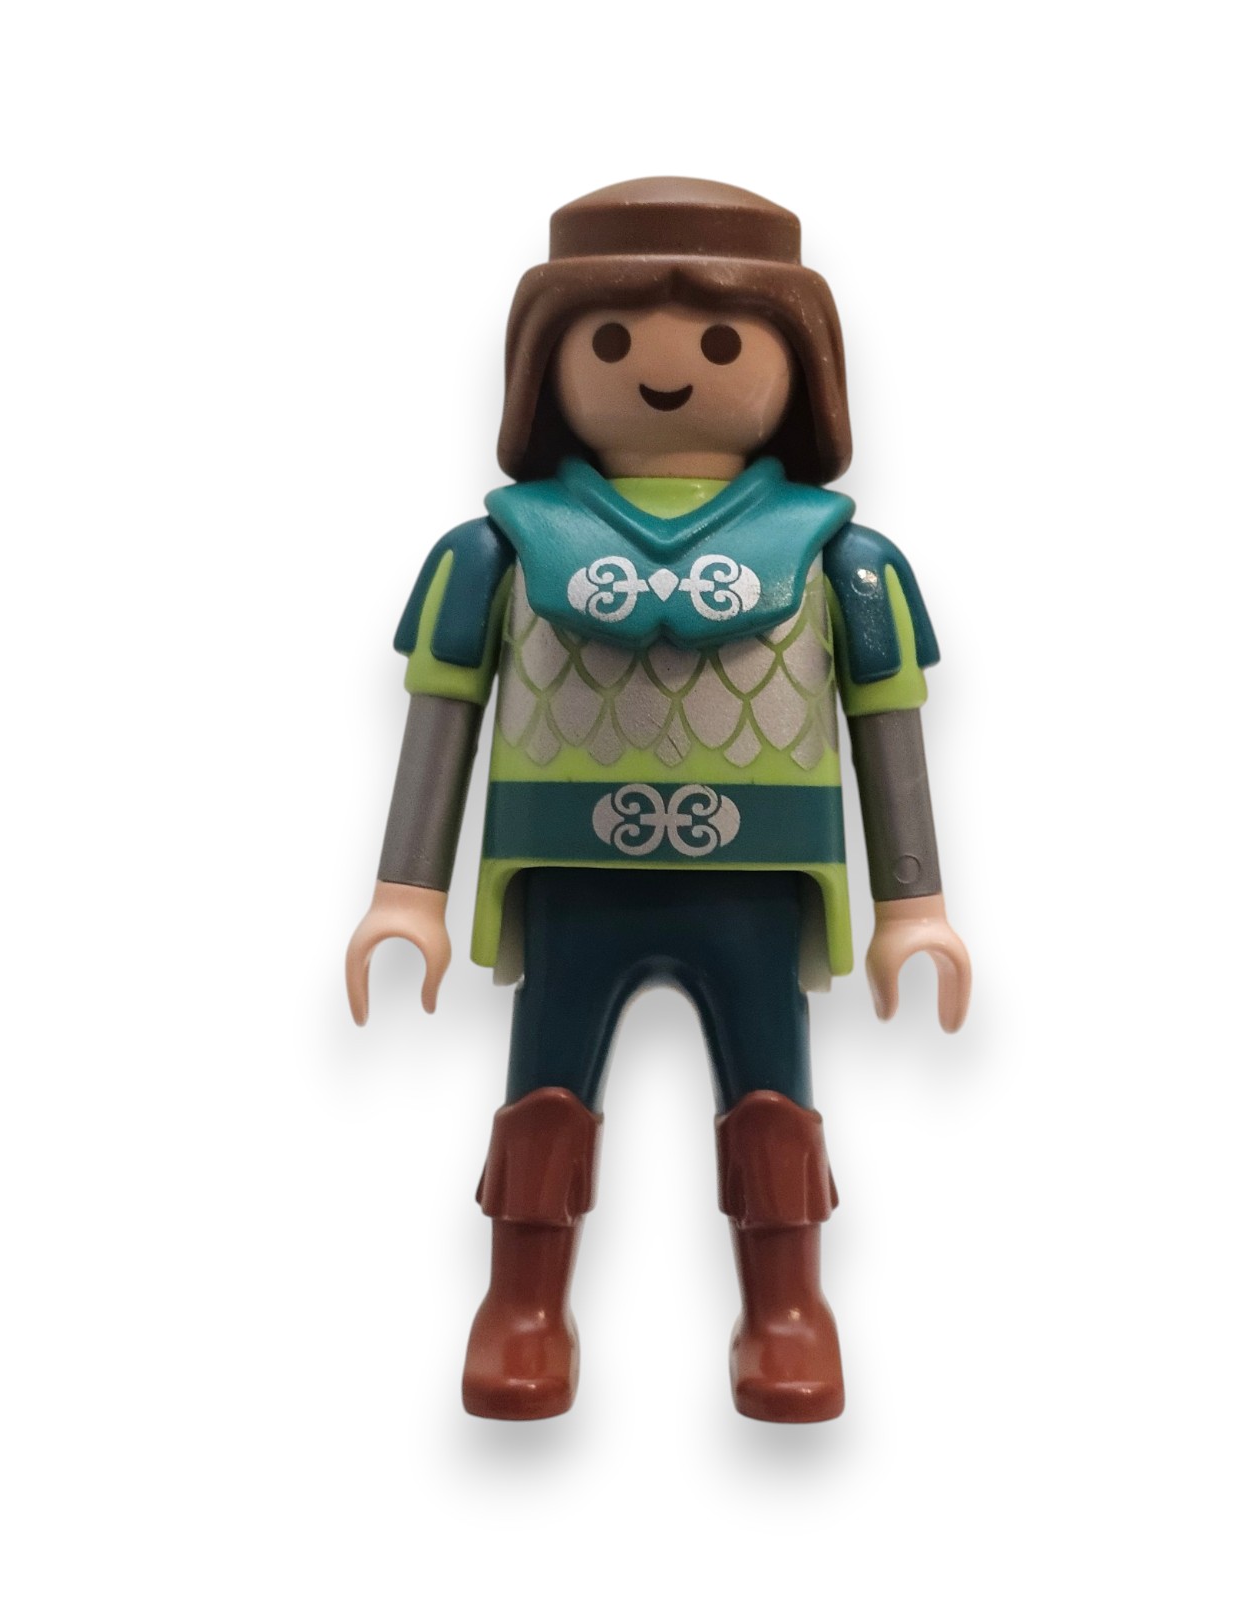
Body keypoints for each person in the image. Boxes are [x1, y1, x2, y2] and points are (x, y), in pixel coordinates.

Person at [346, 177, 971, 1423]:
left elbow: (885, 728)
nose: (668, 370)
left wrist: (915, 906)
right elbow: (442, 717)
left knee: (773, 1100)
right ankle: (522, 1302)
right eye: (615, 340)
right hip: (569, 878)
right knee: (544, 1096)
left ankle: (786, 1307)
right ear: (545, 364)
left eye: (723, 344)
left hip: (756, 885)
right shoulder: (499, 552)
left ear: (800, 367)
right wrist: (404, 891)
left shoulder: (838, 562)